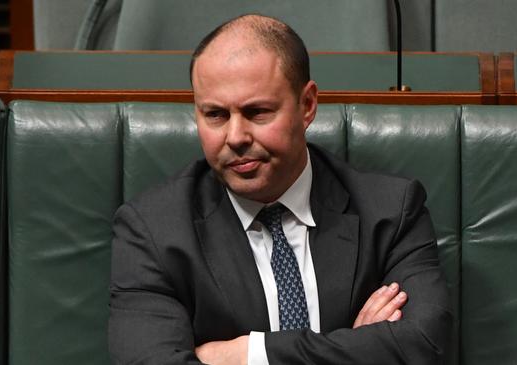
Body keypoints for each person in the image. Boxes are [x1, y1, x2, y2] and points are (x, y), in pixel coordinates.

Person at [109, 14, 452, 365]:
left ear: (307, 106)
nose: (236, 137)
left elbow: (424, 344)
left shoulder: (391, 212)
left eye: (257, 112)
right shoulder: (153, 230)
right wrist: (357, 347)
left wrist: (245, 355)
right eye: (215, 115)